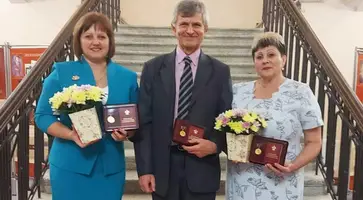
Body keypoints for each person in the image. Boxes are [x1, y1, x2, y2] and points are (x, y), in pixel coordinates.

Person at [133, 0, 233, 200]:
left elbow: (226, 118)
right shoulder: (153, 69)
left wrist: (214, 145)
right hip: (163, 169)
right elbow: (144, 122)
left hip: (201, 168)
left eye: (196, 25)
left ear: (205, 28)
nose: (190, 30)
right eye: (184, 24)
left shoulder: (220, 71)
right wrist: (145, 169)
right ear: (173, 28)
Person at [35, 12, 138, 200]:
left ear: (110, 41)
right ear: (79, 41)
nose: (96, 42)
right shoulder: (61, 72)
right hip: (70, 164)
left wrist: (127, 133)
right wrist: (70, 134)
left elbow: (134, 119)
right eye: (88, 36)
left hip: (110, 167)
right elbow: (42, 115)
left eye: (102, 36)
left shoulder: (127, 77)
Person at [226, 32, 323, 200]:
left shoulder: (300, 92)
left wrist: (293, 166)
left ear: (283, 59)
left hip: (282, 181)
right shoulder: (238, 91)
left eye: (271, 54)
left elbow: (314, 142)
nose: (265, 60)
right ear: (254, 63)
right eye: (259, 57)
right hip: (242, 181)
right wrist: (231, 150)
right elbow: (226, 130)